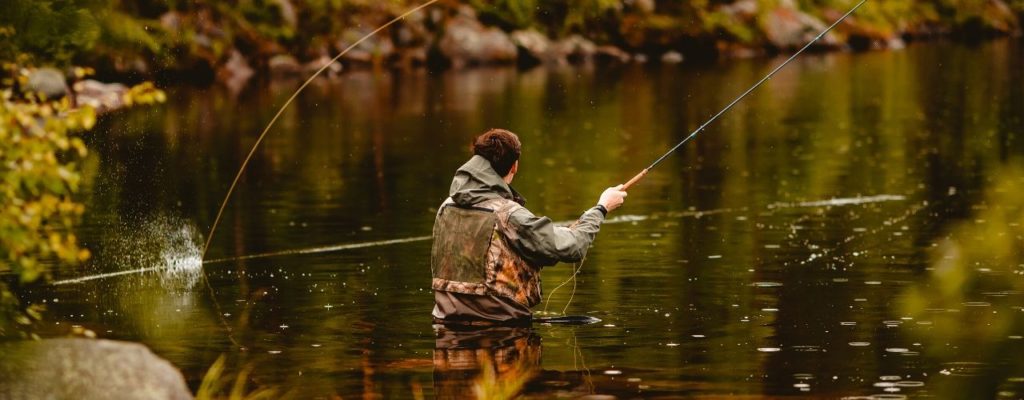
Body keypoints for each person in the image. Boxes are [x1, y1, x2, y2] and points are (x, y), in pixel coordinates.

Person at [431, 128, 627, 325]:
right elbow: (572, 247)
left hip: (445, 326)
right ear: (514, 166)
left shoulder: (446, 206)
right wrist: (601, 208)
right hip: (502, 331)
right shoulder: (508, 214)